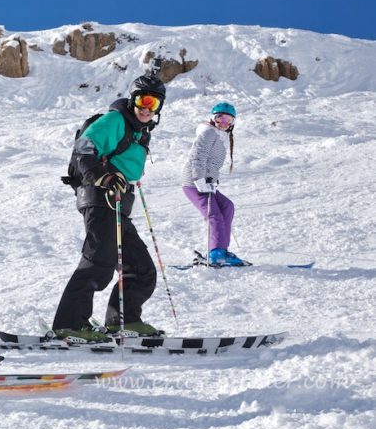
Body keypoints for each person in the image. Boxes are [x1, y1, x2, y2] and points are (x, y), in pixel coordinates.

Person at [51, 75, 167, 341]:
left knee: (140, 268)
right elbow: (84, 148)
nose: (146, 108)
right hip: (100, 197)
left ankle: (123, 321)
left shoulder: (139, 132)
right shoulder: (115, 121)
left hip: (118, 203)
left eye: (153, 103)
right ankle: (69, 324)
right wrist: (102, 175)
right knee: (99, 262)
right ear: (132, 99)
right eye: (142, 100)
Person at [181, 102, 246, 266]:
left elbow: (212, 163)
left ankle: (221, 250)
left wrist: (212, 180)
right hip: (193, 182)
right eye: (220, 118)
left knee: (227, 206)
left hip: (206, 183)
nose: (223, 122)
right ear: (213, 118)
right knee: (214, 214)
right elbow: (198, 156)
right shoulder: (208, 132)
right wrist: (199, 179)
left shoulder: (220, 135)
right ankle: (216, 253)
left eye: (228, 120)